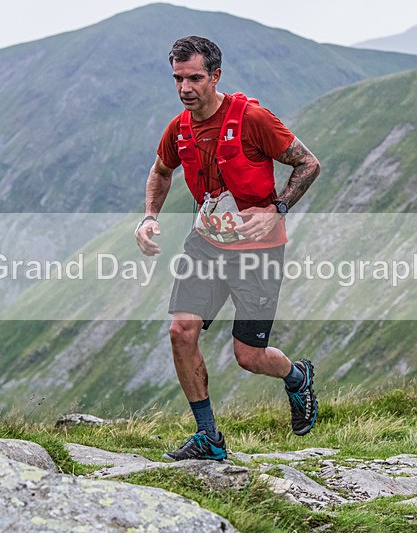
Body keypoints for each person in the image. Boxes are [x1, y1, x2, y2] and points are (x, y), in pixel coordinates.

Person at [135, 36, 321, 461]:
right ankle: (209, 438)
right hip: (206, 242)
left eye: (195, 78)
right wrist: (149, 218)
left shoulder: (252, 118)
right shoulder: (179, 128)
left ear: (215, 76)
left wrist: (277, 209)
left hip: (259, 249)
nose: (186, 88)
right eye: (179, 78)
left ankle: (297, 377)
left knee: (249, 355)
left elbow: (308, 163)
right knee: (181, 331)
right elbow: (160, 172)